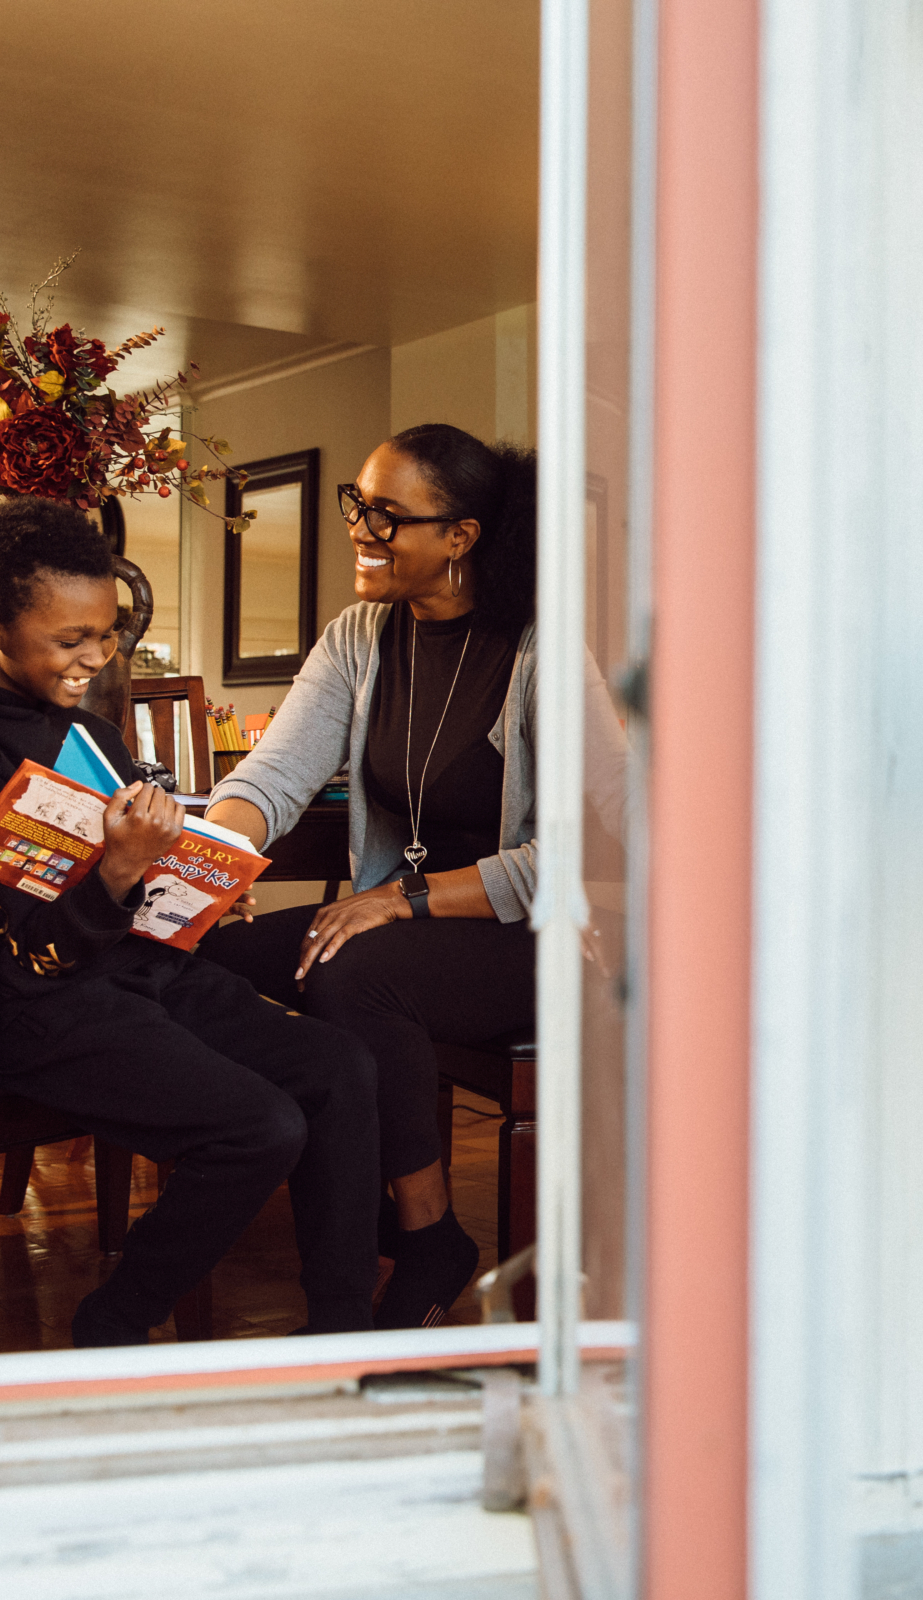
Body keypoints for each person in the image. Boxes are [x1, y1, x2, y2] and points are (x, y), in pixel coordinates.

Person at [0, 497, 383, 1346]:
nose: (96, 656)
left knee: (338, 1065)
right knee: (258, 1128)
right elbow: (30, 951)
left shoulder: (91, 733)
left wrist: (196, 885)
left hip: (140, 974)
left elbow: (136, 893)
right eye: (69, 639)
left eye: (106, 633)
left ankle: (342, 1329)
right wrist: (120, 870)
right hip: (34, 1004)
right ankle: (114, 1321)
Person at [200, 422, 626, 1328]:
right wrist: (206, 862)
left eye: (387, 515)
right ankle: (345, 1239)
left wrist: (401, 898)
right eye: (357, 505)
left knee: (352, 973)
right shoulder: (359, 637)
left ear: (460, 536)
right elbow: (272, 778)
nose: (361, 529)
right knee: (211, 958)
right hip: (403, 931)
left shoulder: (542, 652)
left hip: (528, 937)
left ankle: (426, 1234)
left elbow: (590, 848)